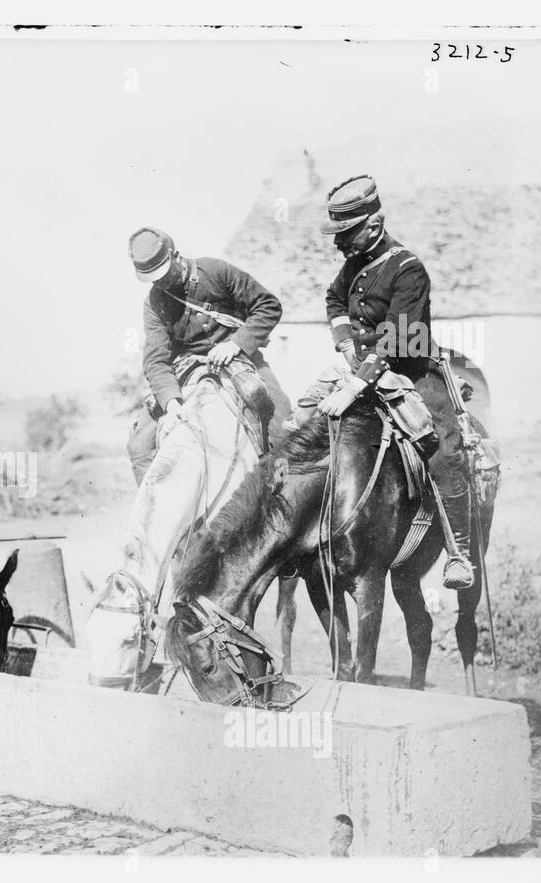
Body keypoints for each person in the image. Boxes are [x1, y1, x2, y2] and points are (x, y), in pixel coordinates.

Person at [312, 174, 475, 590]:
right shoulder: (354, 265)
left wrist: (355, 385)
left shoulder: (408, 268)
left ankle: (459, 552)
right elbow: (333, 299)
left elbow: (398, 337)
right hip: (362, 369)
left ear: (373, 225)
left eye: (345, 233)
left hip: (412, 371)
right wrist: (344, 339)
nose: (338, 244)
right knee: (305, 417)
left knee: (441, 446)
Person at [126, 227, 291, 484]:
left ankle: (284, 490)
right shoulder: (154, 303)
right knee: (139, 443)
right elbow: (155, 359)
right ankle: (153, 511)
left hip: (240, 357)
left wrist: (236, 344)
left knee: (280, 416)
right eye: (153, 279)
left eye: (163, 274)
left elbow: (268, 305)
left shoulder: (216, 272)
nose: (160, 283)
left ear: (176, 257)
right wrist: (171, 403)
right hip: (187, 368)